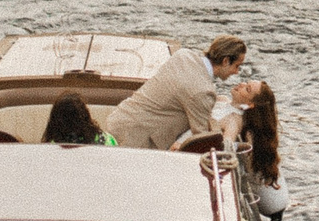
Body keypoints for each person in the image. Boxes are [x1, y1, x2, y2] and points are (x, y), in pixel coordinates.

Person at [106, 35, 249, 152]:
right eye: (237, 66)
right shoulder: (203, 91)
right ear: (225, 61)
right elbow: (202, 138)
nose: (236, 72)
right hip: (135, 141)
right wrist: (231, 133)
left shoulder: (183, 55)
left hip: (118, 120)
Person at [241, 83, 280, 185]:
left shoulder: (249, 135)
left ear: (250, 104)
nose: (241, 84)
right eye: (246, 82)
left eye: (247, 89)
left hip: (264, 188)